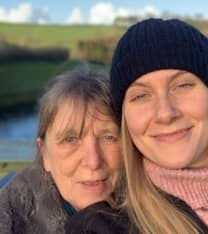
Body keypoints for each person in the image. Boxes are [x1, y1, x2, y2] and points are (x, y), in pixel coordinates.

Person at [66, 18, 208, 234]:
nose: (166, 113)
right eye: (141, 95)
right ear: (125, 118)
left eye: (183, 85)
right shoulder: (100, 228)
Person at [0, 67, 121, 233]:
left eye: (108, 137)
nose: (93, 161)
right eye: (70, 140)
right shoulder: (10, 214)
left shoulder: (156, 210)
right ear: (45, 154)